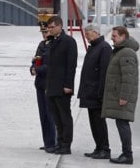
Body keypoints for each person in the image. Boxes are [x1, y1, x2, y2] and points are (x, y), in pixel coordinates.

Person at [101, 26, 139, 165]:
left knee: (123, 124)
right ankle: (126, 153)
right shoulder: (120, 51)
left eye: (115, 36)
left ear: (123, 36)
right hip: (118, 94)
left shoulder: (127, 53)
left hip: (122, 96)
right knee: (121, 123)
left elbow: (128, 78)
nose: (112, 38)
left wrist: (124, 97)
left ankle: (127, 155)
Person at [77, 24, 112, 159]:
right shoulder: (94, 47)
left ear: (96, 32)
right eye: (85, 34)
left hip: (97, 93)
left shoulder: (104, 48)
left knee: (99, 122)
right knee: (94, 122)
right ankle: (98, 147)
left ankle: (105, 149)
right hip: (89, 92)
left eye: (88, 34)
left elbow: (104, 73)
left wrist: (101, 93)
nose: (86, 36)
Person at [45, 16, 78, 154]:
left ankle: (66, 144)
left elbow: (71, 65)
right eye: (49, 27)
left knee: (64, 117)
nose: (49, 30)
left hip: (62, 86)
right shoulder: (52, 42)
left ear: (59, 26)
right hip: (52, 86)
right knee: (56, 117)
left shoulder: (68, 41)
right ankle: (59, 142)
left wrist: (68, 85)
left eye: (52, 27)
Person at [30, 21, 56, 153]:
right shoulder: (41, 44)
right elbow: (35, 60)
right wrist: (32, 68)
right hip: (40, 83)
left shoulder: (54, 45)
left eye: (46, 32)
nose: (44, 35)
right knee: (43, 114)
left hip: (49, 83)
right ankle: (47, 142)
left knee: (50, 114)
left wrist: (38, 69)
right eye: (43, 32)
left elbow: (52, 65)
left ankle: (53, 142)